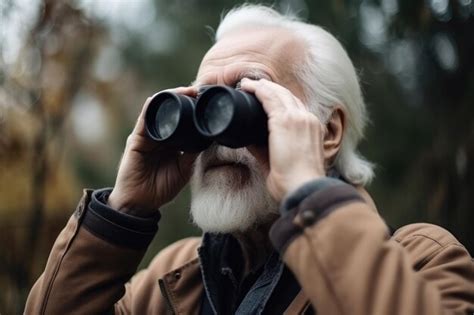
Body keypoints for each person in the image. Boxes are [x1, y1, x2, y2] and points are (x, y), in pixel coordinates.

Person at [25, 5, 473, 315]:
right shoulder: (173, 279)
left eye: (248, 100)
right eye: (204, 104)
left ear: (329, 133)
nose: (217, 134)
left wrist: (307, 191)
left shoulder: (422, 258)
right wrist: (121, 212)